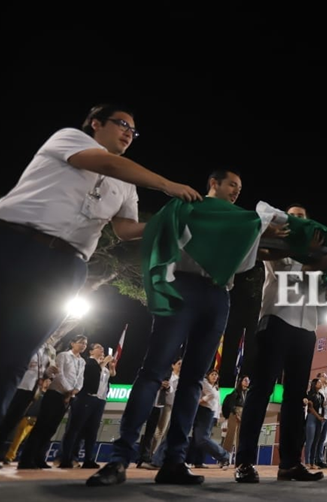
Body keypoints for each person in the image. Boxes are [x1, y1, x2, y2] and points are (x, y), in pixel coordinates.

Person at [0, 104, 202, 422]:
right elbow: (106, 162)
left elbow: (125, 230)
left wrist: (173, 222)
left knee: (14, 358)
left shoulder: (126, 185)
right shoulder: (69, 139)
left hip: (67, 266)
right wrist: (167, 185)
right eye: (122, 124)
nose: (128, 133)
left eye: (133, 131)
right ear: (95, 123)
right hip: (15, 242)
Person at [86, 169, 283, 487]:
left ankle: (174, 462)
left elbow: (254, 252)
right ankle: (119, 460)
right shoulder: (185, 205)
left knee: (194, 380)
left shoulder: (239, 220)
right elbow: (154, 233)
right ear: (213, 183)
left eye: (240, 187)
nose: (236, 190)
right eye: (232, 183)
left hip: (218, 294)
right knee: (153, 371)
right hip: (183, 289)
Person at [234, 204, 326, 484]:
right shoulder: (276, 243)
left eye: (302, 217)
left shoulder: (315, 250)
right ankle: (245, 462)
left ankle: (290, 464)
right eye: (293, 216)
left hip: (307, 326)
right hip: (276, 320)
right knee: (262, 389)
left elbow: (317, 283)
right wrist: (306, 250)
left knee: (296, 396)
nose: (297, 221)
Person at [18, 334, 88, 469]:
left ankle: (39, 458)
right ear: (72, 343)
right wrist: (68, 390)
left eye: (85, 343)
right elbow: (59, 375)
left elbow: (80, 380)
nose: (83, 345)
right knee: (41, 426)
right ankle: (26, 459)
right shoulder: (63, 356)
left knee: (51, 429)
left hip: (67, 398)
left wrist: (74, 391)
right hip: (54, 394)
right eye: (80, 342)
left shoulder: (82, 362)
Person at [59, 343, 115, 468]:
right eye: (98, 348)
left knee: (92, 431)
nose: (102, 350)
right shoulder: (88, 363)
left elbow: (110, 376)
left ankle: (88, 459)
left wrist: (111, 367)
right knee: (75, 429)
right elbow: (92, 373)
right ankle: (66, 458)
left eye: (102, 348)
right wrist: (104, 362)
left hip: (100, 400)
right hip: (86, 397)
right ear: (91, 352)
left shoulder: (103, 366)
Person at [0, 342, 57, 465]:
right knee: (4, 417)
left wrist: (48, 373)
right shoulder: (27, 344)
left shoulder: (47, 350)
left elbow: (42, 370)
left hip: (31, 389)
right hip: (17, 385)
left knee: (11, 422)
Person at [221, 375, 248, 457]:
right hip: (234, 413)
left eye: (248, 380)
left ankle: (239, 458)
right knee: (230, 435)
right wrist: (236, 414)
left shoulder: (247, 393)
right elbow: (231, 404)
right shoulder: (235, 392)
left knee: (240, 437)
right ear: (241, 382)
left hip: (243, 412)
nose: (247, 382)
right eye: (245, 380)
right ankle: (224, 457)